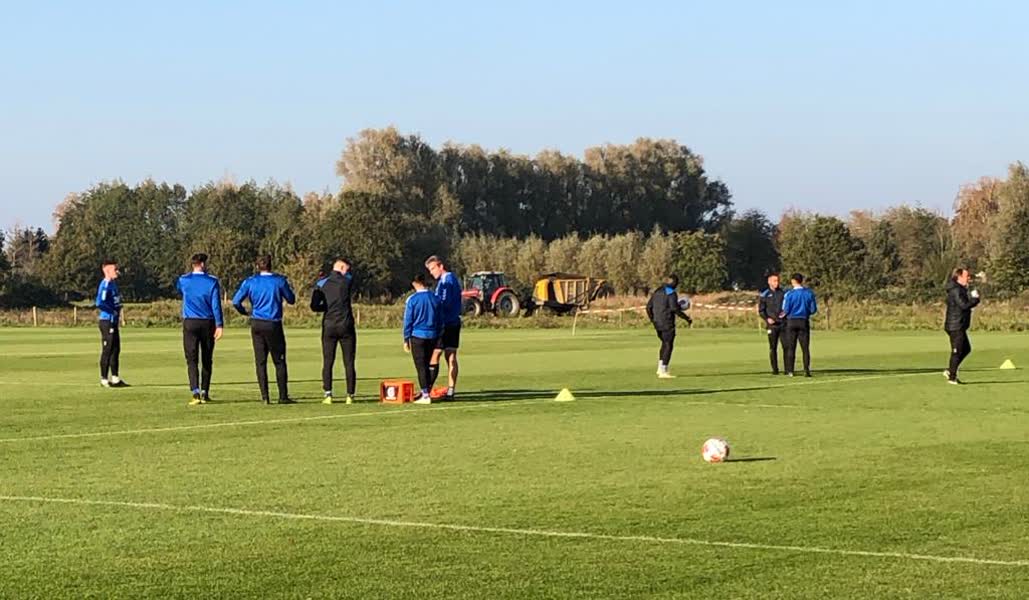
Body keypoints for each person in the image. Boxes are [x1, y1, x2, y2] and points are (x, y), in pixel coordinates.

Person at [232, 254, 296, 404]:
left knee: (260, 361)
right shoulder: (279, 281)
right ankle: (283, 396)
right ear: (271, 265)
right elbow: (291, 300)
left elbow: (235, 301)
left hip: (257, 323)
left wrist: (244, 312)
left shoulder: (250, 282)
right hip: (273, 323)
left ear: (257, 266)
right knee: (279, 360)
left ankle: (265, 396)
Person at [176, 253, 224, 405]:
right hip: (207, 322)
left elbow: (180, 290)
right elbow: (216, 305)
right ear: (203, 264)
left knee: (191, 359)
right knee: (207, 358)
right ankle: (205, 391)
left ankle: (195, 392)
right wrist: (219, 324)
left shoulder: (183, 280)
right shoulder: (212, 281)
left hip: (190, 322)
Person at [311, 258, 357, 404]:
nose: (348, 272)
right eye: (346, 269)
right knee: (349, 361)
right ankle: (350, 395)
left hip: (329, 324)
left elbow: (314, 306)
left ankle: (328, 394)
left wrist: (326, 307)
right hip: (346, 324)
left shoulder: (321, 283)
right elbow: (350, 277)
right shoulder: (347, 281)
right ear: (341, 268)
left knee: (328, 361)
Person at [425, 255, 462, 400]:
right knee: (450, 356)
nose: (431, 272)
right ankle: (450, 390)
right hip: (453, 322)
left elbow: (444, 302)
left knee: (436, 354)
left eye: (433, 268)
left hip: (446, 323)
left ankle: (427, 390)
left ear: (441, 266)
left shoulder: (447, 280)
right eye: (429, 270)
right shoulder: (445, 280)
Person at [403, 273, 443, 404]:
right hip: (433, 335)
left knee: (421, 366)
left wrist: (406, 338)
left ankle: (425, 395)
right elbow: (440, 319)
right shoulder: (435, 298)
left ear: (415, 284)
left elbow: (408, 320)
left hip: (417, 336)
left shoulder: (412, 299)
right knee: (428, 364)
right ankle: (427, 391)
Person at [645, 274, 692, 379]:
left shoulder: (657, 291)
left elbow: (648, 307)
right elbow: (674, 308)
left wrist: (653, 320)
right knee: (668, 345)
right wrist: (686, 318)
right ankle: (663, 370)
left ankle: (660, 368)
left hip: (657, 323)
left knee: (664, 343)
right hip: (667, 323)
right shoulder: (671, 293)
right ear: (675, 283)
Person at [944, 267, 980, 385]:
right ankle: (952, 377)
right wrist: (975, 300)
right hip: (955, 325)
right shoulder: (956, 290)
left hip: (959, 325)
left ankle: (950, 370)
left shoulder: (960, 289)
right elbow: (963, 305)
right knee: (957, 351)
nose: (968, 278)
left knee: (966, 349)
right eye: (966, 276)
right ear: (959, 277)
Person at [95, 259, 126, 388]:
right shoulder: (105, 284)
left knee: (116, 349)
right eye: (114, 269)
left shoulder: (113, 284)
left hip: (114, 321)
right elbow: (100, 303)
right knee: (107, 350)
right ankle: (104, 379)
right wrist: (112, 311)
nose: (117, 272)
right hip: (107, 321)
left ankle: (115, 378)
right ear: (107, 270)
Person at [780, 273, 818, 377]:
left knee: (791, 347)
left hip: (791, 321)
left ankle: (790, 370)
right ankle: (806, 370)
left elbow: (786, 309)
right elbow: (813, 309)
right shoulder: (809, 293)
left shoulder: (789, 294)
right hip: (803, 321)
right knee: (805, 348)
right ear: (802, 281)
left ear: (793, 281)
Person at [758, 272, 786, 375]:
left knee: (786, 347)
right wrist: (767, 319)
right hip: (772, 326)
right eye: (774, 281)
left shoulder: (783, 293)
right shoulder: (764, 295)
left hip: (783, 324)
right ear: (769, 282)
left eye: (778, 281)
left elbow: (787, 306)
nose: (777, 283)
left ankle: (788, 369)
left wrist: (785, 313)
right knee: (773, 348)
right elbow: (761, 310)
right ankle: (775, 369)